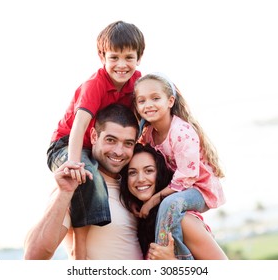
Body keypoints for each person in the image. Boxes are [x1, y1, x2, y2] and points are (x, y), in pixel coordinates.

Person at [46, 21, 145, 258]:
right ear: (102, 56)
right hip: (66, 144)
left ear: (139, 58)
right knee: (88, 176)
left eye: (129, 57)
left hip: (98, 145)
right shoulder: (95, 84)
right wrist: (73, 163)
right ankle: (80, 241)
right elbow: (79, 126)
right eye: (114, 57)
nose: (122, 65)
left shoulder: (138, 83)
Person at [24, 104, 143, 260]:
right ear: (94, 136)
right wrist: (64, 193)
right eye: (111, 140)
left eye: (128, 143)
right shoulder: (78, 185)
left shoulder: (133, 188)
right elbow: (33, 257)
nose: (119, 151)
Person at [133, 72, 226, 258]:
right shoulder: (149, 134)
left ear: (170, 101)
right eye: (141, 101)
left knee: (170, 204)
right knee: (169, 203)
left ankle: (173, 255)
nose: (148, 104)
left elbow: (186, 178)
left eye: (155, 98)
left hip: (199, 189)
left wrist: (152, 200)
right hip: (179, 189)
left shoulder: (181, 132)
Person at [120, 143, 228, 260]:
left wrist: (171, 261)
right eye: (132, 173)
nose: (140, 179)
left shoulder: (183, 221)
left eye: (149, 171)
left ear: (161, 173)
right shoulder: (142, 222)